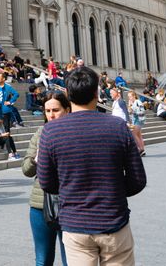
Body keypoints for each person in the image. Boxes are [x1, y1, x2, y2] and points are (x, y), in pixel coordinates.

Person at [37, 67, 146, 266]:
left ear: (67, 95)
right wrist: (112, 191)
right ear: (97, 93)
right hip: (114, 222)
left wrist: (72, 191)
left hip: (75, 224)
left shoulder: (51, 131)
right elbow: (138, 180)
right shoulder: (118, 127)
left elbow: (46, 182)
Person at [22, 91, 71, 266]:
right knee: (43, 260)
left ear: (67, 109)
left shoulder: (74, 134)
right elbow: (26, 170)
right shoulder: (40, 133)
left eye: (55, 110)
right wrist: (36, 159)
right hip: (40, 205)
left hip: (70, 205)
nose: (51, 115)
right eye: (47, 110)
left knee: (71, 260)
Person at [127, 91, 146, 156]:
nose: (129, 98)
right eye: (128, 97)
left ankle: (140, 149)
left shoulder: (137, 102)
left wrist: (130, 107)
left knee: (134, 134)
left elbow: (141, 111)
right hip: (136, 120)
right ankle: (142, 149)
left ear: (134, 96)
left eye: (130, 96)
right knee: (139, 135)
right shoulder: (134, 102)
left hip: (138, 120)